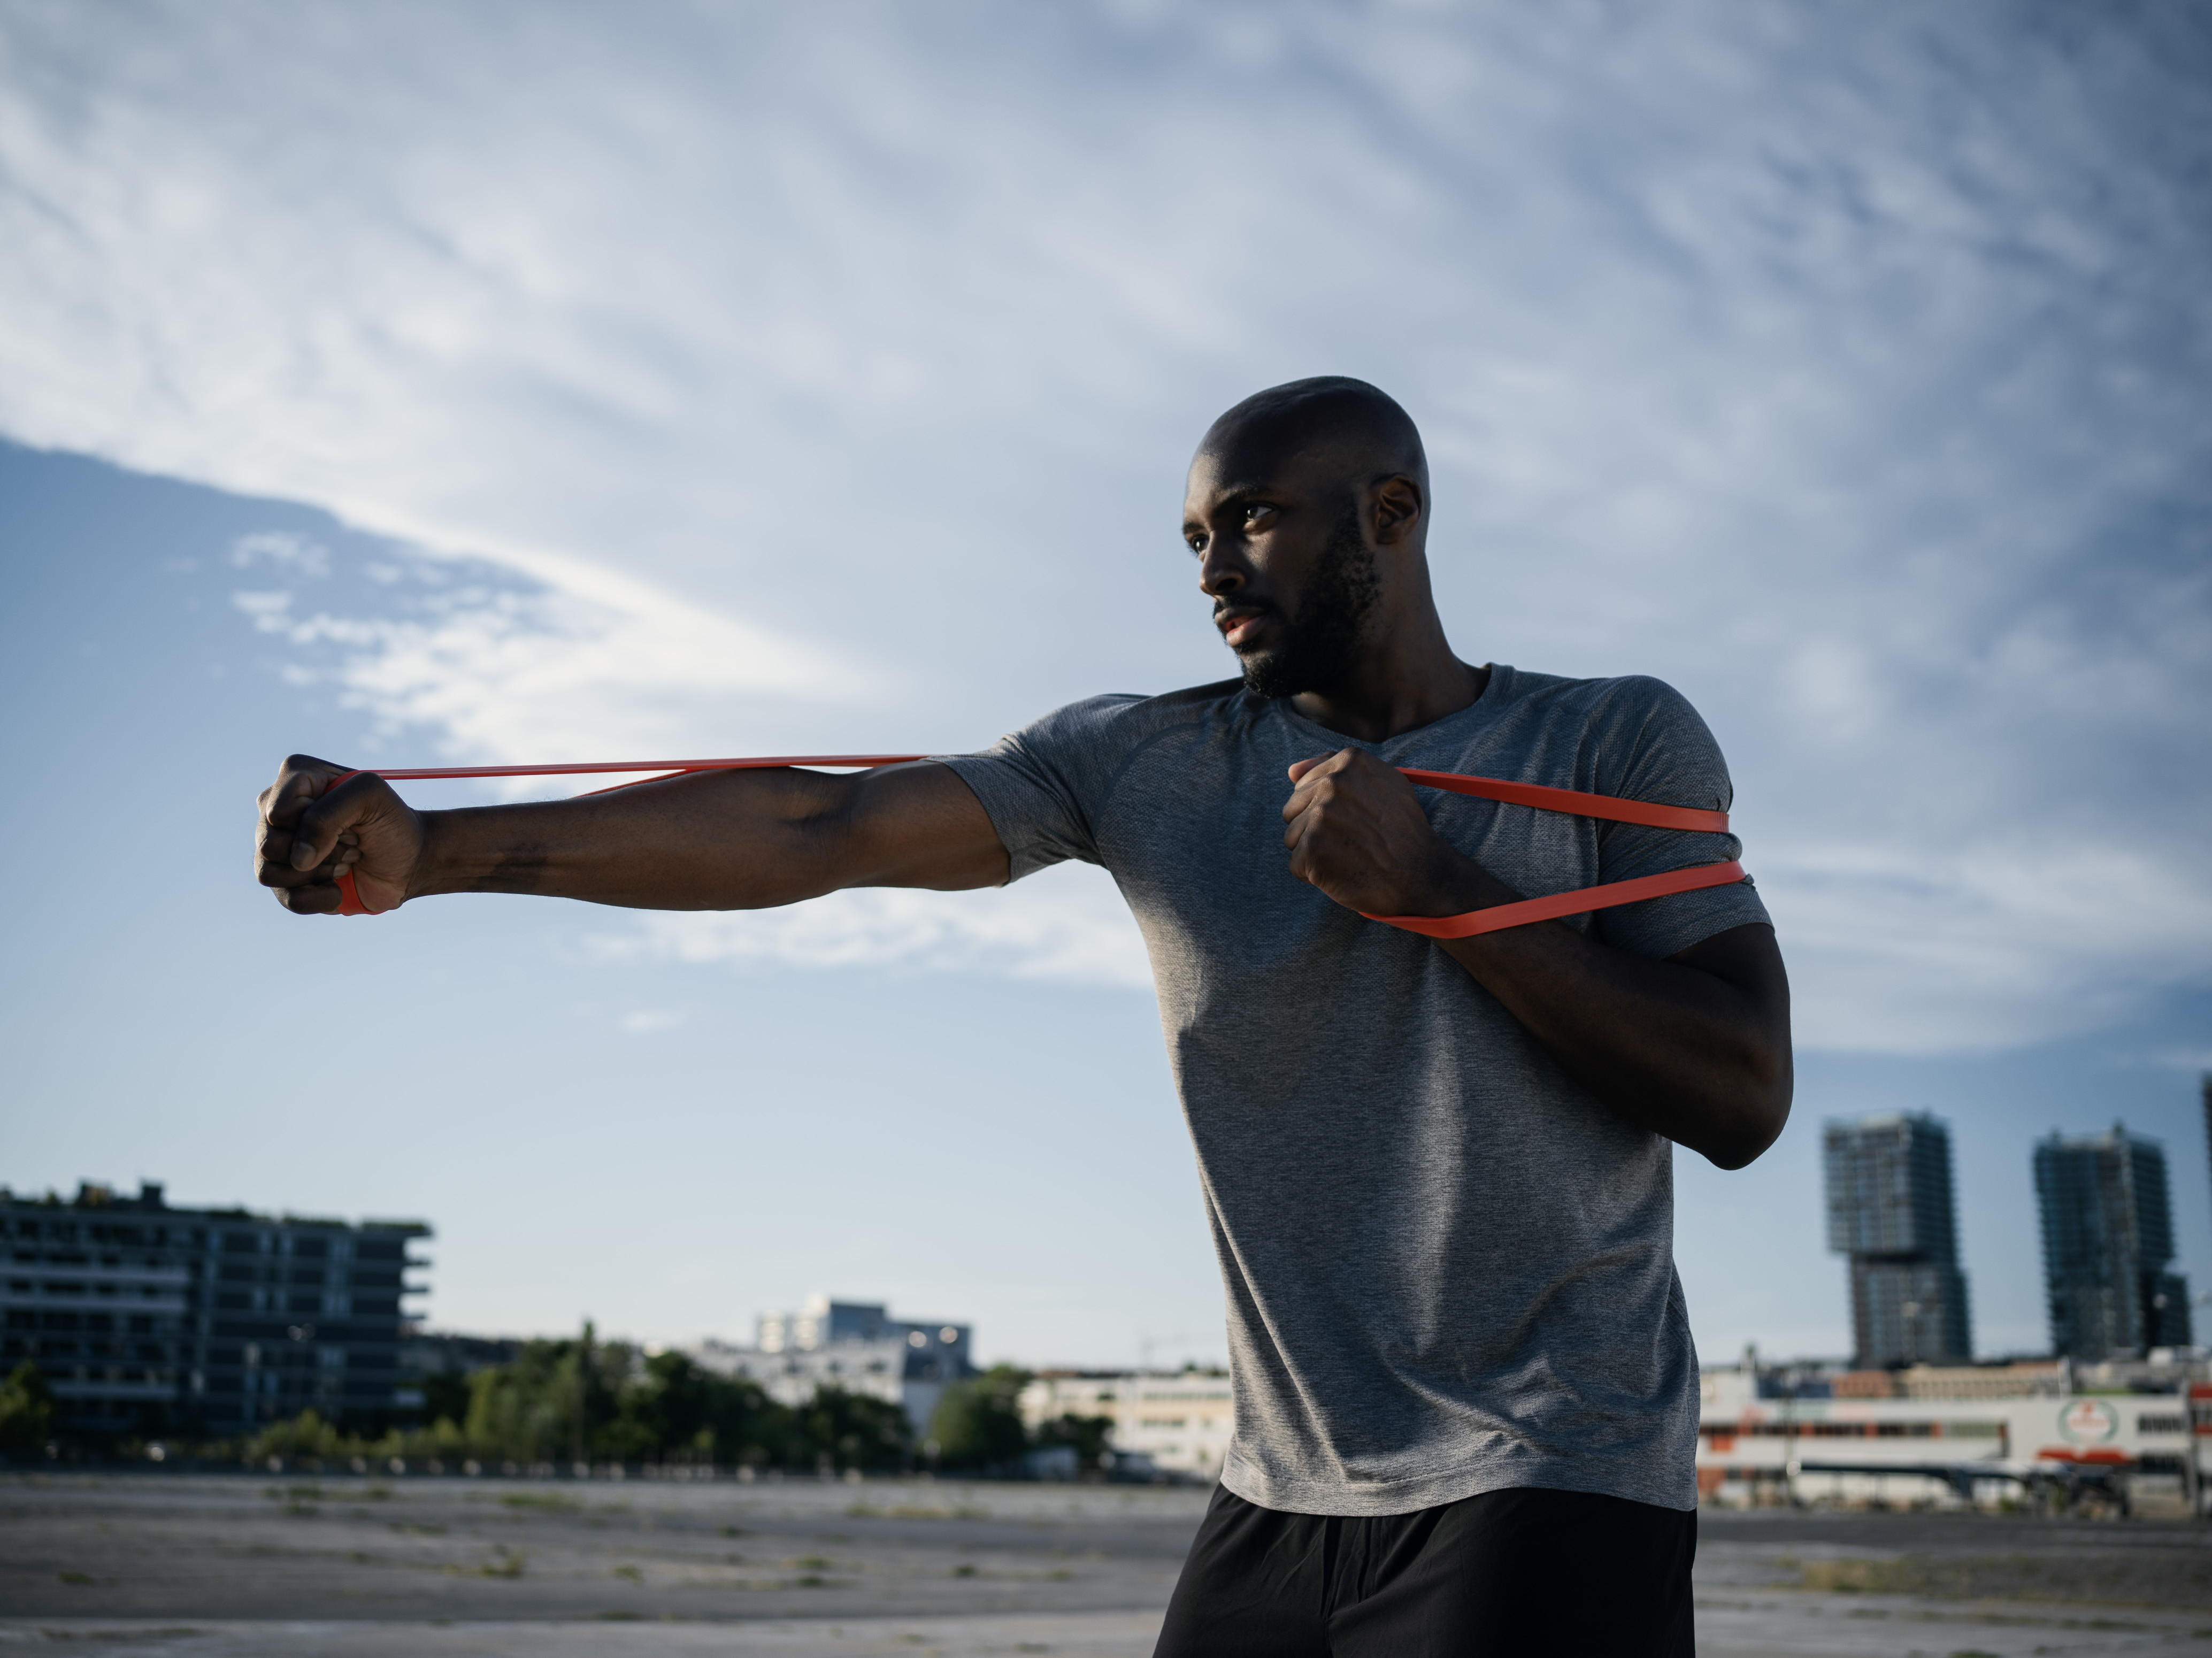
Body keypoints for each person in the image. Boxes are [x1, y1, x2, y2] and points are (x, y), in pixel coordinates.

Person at [257, 377, 1790, 1655]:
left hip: (1554, 1477)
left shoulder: (1610, 736)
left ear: (1393, 513)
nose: (1211, 564)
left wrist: (1441, 885)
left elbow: (1742, 1090)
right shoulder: (1142, 761)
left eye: (1252, 516)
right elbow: (822, 828)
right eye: (1193, 535)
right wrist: (435, 855)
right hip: (1279, 1494)